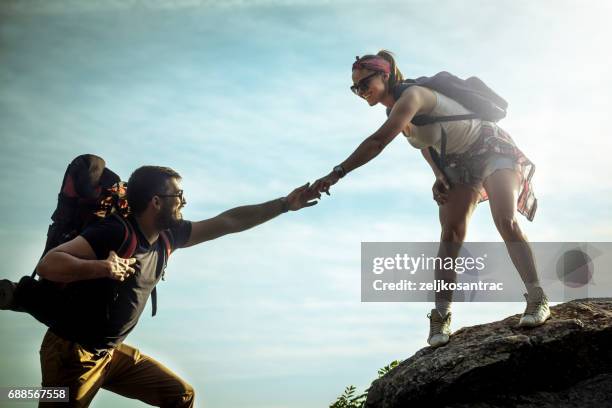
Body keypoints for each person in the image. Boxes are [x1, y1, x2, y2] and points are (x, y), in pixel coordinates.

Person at [311, 50, 550, 348]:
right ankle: (441, 315)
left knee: (505, 219)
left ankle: (537, 298)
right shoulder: (394, 110)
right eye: (355, 88)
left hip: (490, 148)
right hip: (458, 163)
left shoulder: (413, 96)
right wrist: (438, 174)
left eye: (364, 83)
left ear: (385, 75)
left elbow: (377, 142)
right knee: (450, 235)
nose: (361, 92)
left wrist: (337, 173)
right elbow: (425, 142)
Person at [35, 165, 320, 407]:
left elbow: (229, 221)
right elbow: (49, 264)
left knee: (180, 396)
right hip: (72, 354)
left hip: (110, 353)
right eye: (178, 195)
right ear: (156, 201)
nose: (183, 201)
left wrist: (284, 204)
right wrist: (103, 267)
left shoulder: (168, 236)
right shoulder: (115, 232)